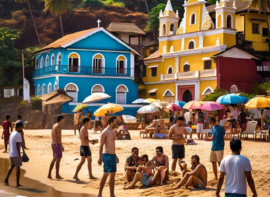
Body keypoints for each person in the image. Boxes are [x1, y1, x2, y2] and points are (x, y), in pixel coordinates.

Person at [97, 116, 119, 197]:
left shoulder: (112, 131)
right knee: (109, 174)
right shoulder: (105, 132)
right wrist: (99, 157)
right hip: (106, 155)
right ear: (111, 122)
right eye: (115, 121)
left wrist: (115, 155)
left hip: (112, 155)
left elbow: (112, 144)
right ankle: (108, 194)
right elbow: (101, 145)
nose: (116, 123)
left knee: (108, 174)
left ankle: (104, 194)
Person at [4, 122, 26, 187]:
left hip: (11, 153)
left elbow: (9, 142)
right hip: (15, 154)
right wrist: (19, 155)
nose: (22, 128)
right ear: (19, 127)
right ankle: (17, 183)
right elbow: (17, 145)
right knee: (18, 168)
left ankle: (6, 179)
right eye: (21, 127)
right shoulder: (18, 134)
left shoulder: (12, 133)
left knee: (12, 166)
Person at [47, 115, 65, 179]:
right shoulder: (59, 126)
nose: (64, 121)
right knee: (58, 160)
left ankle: (49, 174)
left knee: (54, 158)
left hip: (53, 143)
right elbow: (59, 138)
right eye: (63, 119)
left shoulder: (54, 125)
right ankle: (57, 175)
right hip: (57, 144)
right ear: (61, 119)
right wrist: (61, 146)